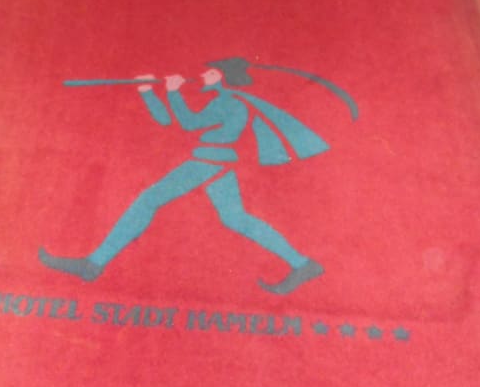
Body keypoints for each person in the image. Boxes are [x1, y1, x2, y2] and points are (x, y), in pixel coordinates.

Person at [38, 59, 328, 294]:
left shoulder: (229, 103)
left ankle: (94, 264)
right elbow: (167, 120)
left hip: (209, 161)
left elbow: (189, 123)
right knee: (235, 218)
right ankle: (302, 264)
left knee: (148, 200)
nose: (202, 75)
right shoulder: (222, 100)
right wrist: (148, 92)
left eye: (210, 73)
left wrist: (173, 91)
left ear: (223, 77)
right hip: (216, 161)